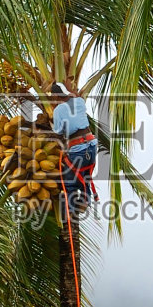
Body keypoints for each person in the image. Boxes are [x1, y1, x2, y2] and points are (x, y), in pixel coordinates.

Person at [50, 83, 97, 211]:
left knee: (70, 184)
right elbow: (74, 96)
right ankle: (85, 201)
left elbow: (58, 131)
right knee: (85, 176)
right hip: (92, 146)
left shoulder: (58, 110)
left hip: (78, 149)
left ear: (55, 95)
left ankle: (70, 211)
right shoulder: (80, 101)